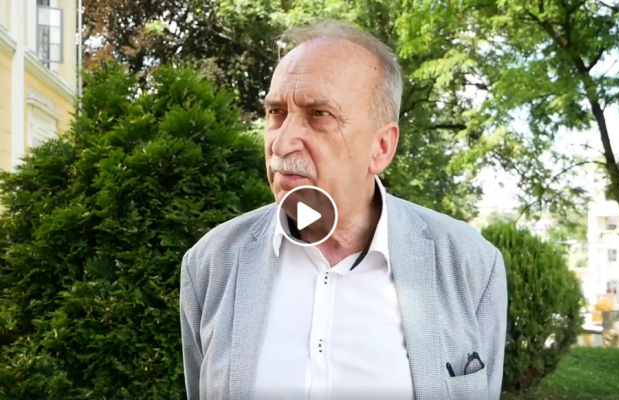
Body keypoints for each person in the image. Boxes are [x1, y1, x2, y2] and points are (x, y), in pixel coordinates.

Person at [180, 19, 507, 400]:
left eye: (319, 114)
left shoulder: (469, 263)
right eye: (276, 113)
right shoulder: (211, 263)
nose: (281, 144)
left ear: (381, 147)